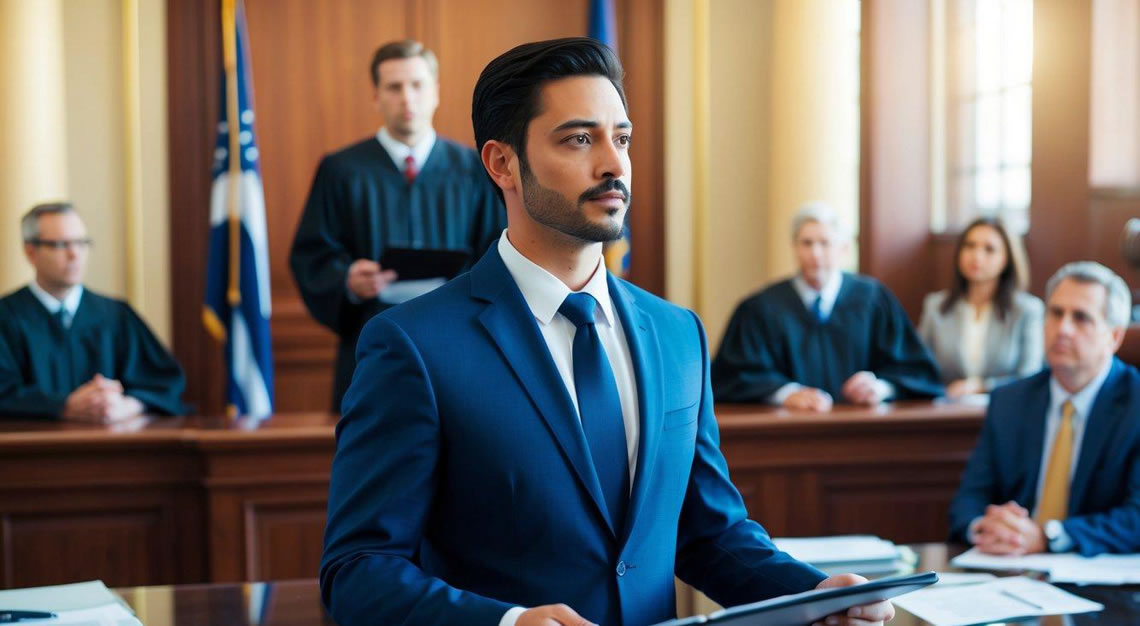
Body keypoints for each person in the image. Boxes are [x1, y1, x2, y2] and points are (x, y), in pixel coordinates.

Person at [320, 38, 894, 626]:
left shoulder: (678, 335)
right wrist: (508, 623)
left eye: (621, 138)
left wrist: (819, 596)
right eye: (578, 139)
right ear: (502, 163)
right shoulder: (413, 345)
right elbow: (359, 570)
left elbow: (707, 533)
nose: (614, 163)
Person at [289, 39, 505, 412]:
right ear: (376, 95)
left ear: (435, 93)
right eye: (394, 87)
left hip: (458, 343)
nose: (407, 98)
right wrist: (347, 280)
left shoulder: (475, 170)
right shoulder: (341, 170)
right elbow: (312, 253)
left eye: (417, 85)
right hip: (372, 344)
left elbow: (500, 251)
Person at [948, 261, 1140, 556]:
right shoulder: (1009, 401)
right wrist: (986, 527)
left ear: (1114, 336)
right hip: (1010, 569)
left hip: (1095, 576)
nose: (1062, 329)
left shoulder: (1135, 402)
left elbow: (1135, 517)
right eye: (1056, 313)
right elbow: (968, 499)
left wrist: (1049, 536)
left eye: (1081, 318)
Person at [712, 203, 943, 410]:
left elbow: (916, 370)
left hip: (864, 432)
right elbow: (732, 376)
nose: (816, 253)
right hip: (787, 435)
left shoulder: (873, 300)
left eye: (825, 243)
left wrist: (881, 387)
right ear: (794, 247)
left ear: (843, 247)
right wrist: (786, 393)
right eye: (807, 243)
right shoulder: (761, 308)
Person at [0, 202, 185, 421]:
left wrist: (128, 405)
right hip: (31, 452)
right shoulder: (6, 317)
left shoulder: (115, 315)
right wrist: (62, 406)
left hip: (111, 450)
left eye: (81, 243)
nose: (74, 254)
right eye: (61, 244)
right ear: (31, 252)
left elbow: (165, 382)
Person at [918, 218, 1044, 398]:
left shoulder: (1027, 310)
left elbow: (1030, 376)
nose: (977, 256)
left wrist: (981, 387)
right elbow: (919, 368)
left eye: (989, 249)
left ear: (1006, 259)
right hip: (946, 410)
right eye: (969, 246)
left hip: (1006, 408)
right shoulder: (935, 306)